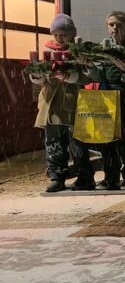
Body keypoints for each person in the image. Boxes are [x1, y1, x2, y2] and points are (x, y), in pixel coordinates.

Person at [30, 14, 94, 192]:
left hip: (73, 102)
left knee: (77, 141)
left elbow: (88, 76)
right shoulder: (46, 52)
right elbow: (39, 77)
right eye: (57, 34)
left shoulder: (78, 52)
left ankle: (85, 176)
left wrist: (71, 76)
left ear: (72, 34)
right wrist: (37, 75)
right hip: (51, 103)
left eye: (64, 34)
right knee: (54, 142)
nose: (60, 38)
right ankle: (57, 176)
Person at [85, 11, 125, 189]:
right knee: (106, 140)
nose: (114, 28)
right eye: (111, 24)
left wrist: (123, 68)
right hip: (105, 95)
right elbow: (96, 76)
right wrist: (88, 65)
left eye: (118, 24)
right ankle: (110, 177)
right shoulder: (102, 49)